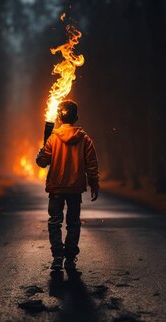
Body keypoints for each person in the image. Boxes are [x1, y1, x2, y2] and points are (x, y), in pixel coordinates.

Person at [36, 100, 99, 271]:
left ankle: (57, 256)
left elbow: (41, 162)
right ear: (77, 117)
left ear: (58, 117)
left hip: (56, 187)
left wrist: (43, 147)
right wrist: (94, 184)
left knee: (55, 221)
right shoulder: (85, 139)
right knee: (73, 222)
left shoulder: (53, 138)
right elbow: (91, 164)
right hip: (75, 188)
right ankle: (70, 258)